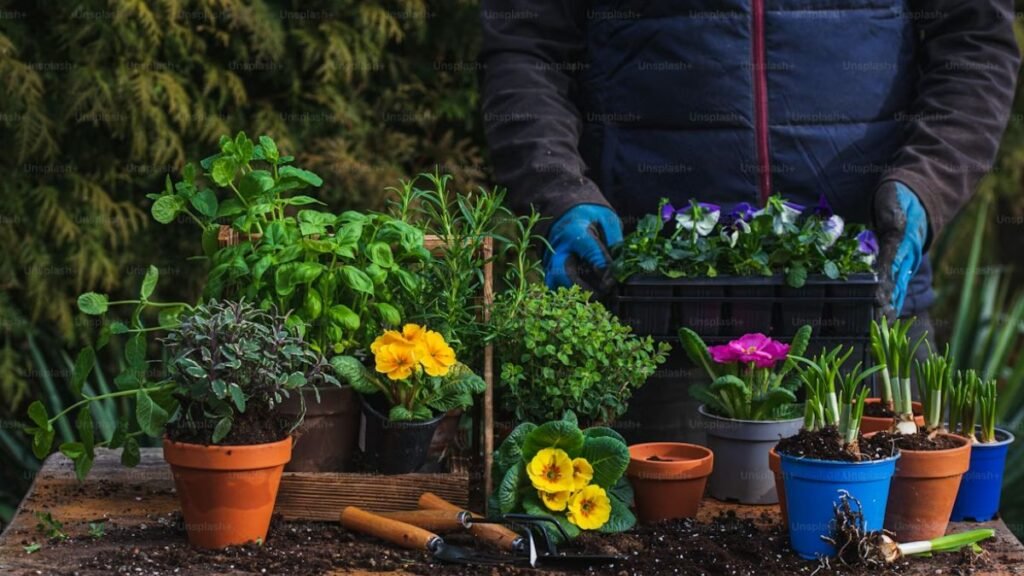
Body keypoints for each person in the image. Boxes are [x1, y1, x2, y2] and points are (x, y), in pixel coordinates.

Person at [480, 0, 1019, 440]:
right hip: (656, 315)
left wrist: (925, 186)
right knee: (661, 540)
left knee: (891, 545)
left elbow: (975, 42)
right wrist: (557, 191)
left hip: (864, 300)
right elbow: (524, 44)